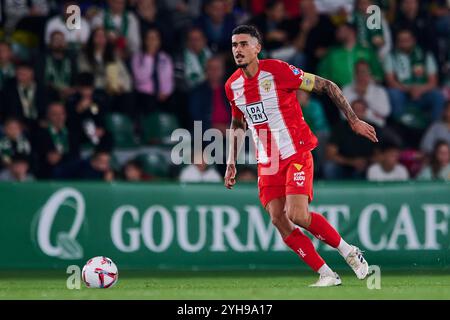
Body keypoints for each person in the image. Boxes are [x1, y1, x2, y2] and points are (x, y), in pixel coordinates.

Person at [224, 25, 377, 287]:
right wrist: (231, 163)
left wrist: (353, 120)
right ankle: (326, 273)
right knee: (278, 218)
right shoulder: (232, 86)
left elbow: (326, 85)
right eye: (234, 45)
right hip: (267, 161)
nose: (238, 50)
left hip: (295, 151)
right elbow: (238, 124)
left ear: (257, 47)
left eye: (244, 44)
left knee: (297, 215)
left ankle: (349, 251)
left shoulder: (279, 71)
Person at [384, 29, 445, 122]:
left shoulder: (425, 54)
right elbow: (390, 81)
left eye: (407, 40)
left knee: (438, 96)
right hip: (403, 93)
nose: (404, 43)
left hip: (423, 93)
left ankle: (434, 127)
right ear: (397, 42)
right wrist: (409, 89)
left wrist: (419, 89)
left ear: (413, 40)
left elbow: (433, 82)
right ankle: (400, 127)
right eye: (401, 40)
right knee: (393, 93)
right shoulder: (391, 56)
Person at [324, 99, 379, 180]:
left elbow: (380, 154)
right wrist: (351, 162)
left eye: (361, 110)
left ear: (365, 111)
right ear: (349, 112)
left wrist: (365, 162)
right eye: (355, 110)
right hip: (344, 165)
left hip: (367, 165)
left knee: (376, 168)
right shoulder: (339, 128)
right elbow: (330, 154)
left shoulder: (373, 128)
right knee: (330, 167)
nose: (358, 113)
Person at [343, 60, 391, 128]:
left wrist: (365, 95)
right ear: (354, 74)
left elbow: (385, 112)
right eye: (358, 72)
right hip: (352, 128)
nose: (362, 75)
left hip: (375, 127)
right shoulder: (346, 90)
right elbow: (343, 115)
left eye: (364, 72)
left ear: (370, 73)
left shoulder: (379, 90)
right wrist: (372, 114)